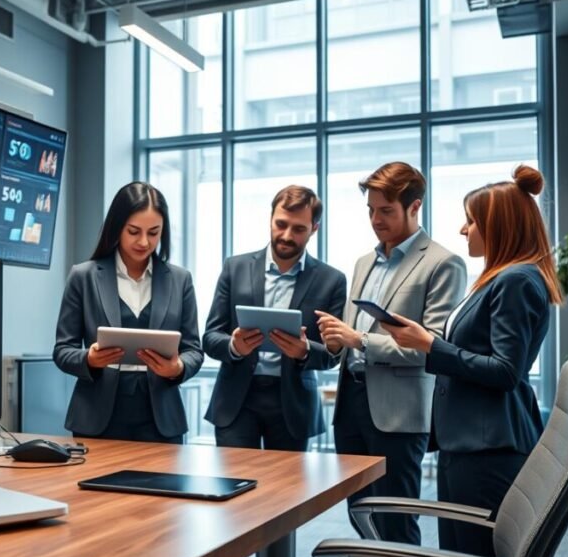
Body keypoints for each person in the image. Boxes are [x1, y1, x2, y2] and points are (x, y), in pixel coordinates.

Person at [379, 165, 561, 557]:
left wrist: (430, 345)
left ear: (498, 227)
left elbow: (505, 371)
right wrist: (431, 344)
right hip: (468, 442)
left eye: (471, 221)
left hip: (487, 448)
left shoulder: (516, 281)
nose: (464, 230)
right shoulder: (501, 279)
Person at [316, 162, 466, 557]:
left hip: (399, 412)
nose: (375, 220)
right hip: (352, 403)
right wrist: (333, 340)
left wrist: (359, 340)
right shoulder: (363, 262)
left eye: (386, 211)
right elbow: (350, 335)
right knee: (361, 513)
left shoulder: (442, 263)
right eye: (371, 210)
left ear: (414, 206)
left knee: (396, 521)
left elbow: (431, 347)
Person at [53, 181, 203, 443]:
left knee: (161, 486)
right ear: (117, 227)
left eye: (154, 233)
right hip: (97, 417)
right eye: (134, 231)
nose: (144, 242)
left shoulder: (180, 280)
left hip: (161, 419)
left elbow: (194, 350)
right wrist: (89, 359)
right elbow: (62, 350)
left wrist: (177, 367)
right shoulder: (84, 276)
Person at [204, 185, 347, 452]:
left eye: (298, 229)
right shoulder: (235, 268)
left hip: (292, 404)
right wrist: (234, 346)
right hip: (236, 399)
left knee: (288, 492)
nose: (286, 235)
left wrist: (305, 351)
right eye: (280, 224)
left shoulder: (332, 281)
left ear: (314, 228)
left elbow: (333, 355)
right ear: (270, 218)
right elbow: (210, 337)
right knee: (234, 487)